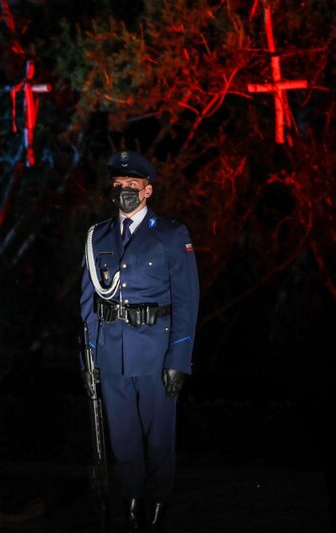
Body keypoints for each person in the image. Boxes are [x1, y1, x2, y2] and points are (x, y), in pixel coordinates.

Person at [80, 151, 199, 532]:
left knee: (159, 439)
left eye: (132, 187)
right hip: (112, 353)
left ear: (148, 191)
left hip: (155, 351)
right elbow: (88, 304)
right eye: (118, 187)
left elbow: (187, 301)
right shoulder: (97, 236)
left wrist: (178, 359)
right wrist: (89, 361)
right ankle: (132, 506)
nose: (124, 193)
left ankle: (158, 506)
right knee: (124, 439)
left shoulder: (171, 235)